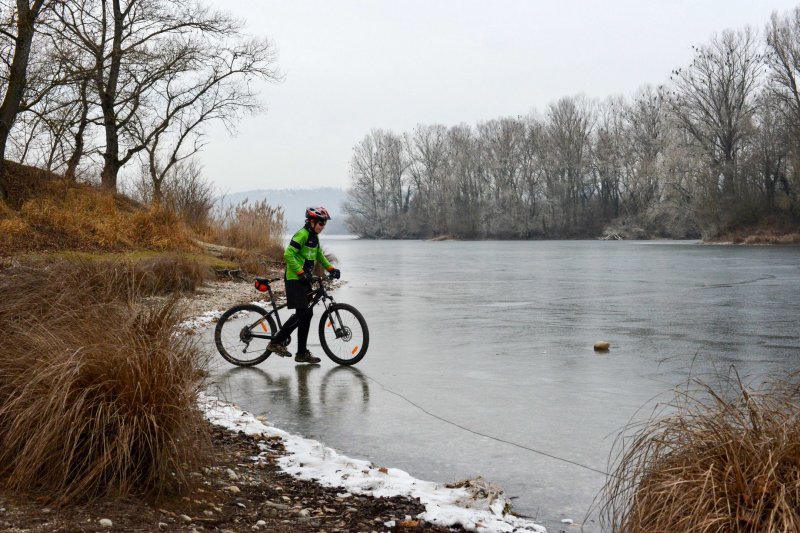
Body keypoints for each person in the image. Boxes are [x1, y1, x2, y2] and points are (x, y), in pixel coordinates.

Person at [267, 206, 340, 363]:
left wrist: (331, 268)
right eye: (321, 223)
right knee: (302, 313)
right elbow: (288, 254)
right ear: (312, 221)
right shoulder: (303, 234)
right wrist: (300, 272)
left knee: (307, 314)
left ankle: (301, 353)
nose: (322, 227)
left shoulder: (314, 237)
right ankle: (275, 342)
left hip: (304, 279)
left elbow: (318, 254)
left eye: (324, 224)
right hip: (295, 278)